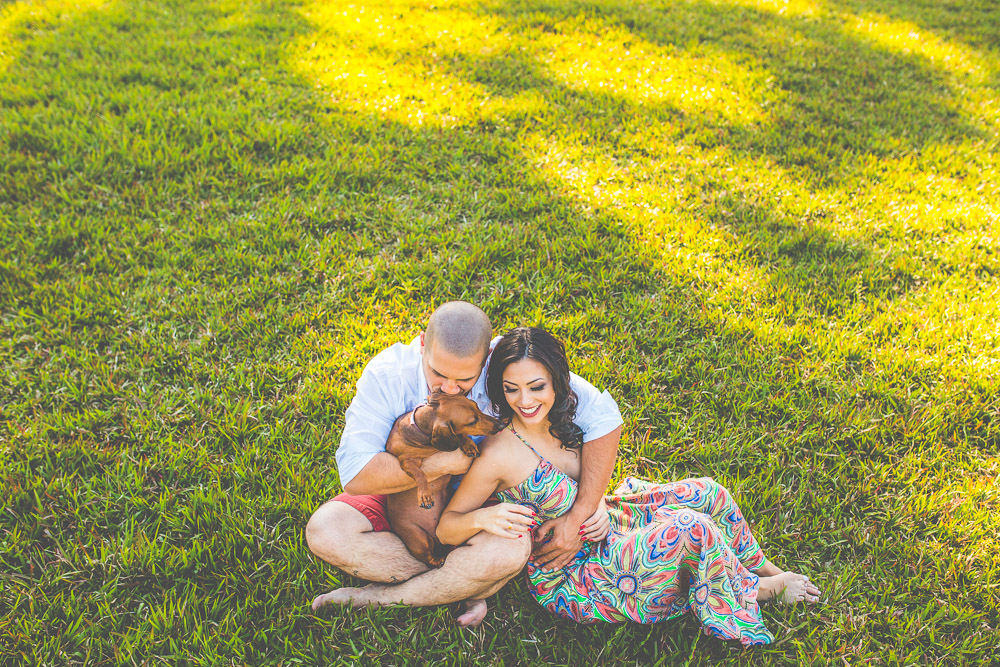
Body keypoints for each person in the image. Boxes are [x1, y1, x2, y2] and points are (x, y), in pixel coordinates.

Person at [435, 327, 821, 645]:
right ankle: (756, 591)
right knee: (690, 529)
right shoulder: (500, 452)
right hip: (576, 571)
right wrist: (486, 516)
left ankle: (765, 570)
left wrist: (595, 506)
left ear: (556, 381)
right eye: (511, 389)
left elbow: (589, 485)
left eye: (536, 386)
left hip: (612, 523)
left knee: (707, 492)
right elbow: (447, 525)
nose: (525, 400)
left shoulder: (568, 420)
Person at [307, 303, 624, 626]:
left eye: (464, 379)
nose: (449, 388)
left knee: (507, 554)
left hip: (481, 503)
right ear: (421, 345)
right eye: (438, 374)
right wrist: (443, 464)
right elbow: (356, 475)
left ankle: (378, 598)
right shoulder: (388, 374)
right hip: (402, 495)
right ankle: (469, 584)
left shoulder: (507, 365)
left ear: (487, 357)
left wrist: (586, 505)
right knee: (325, 532)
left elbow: (602, 418)